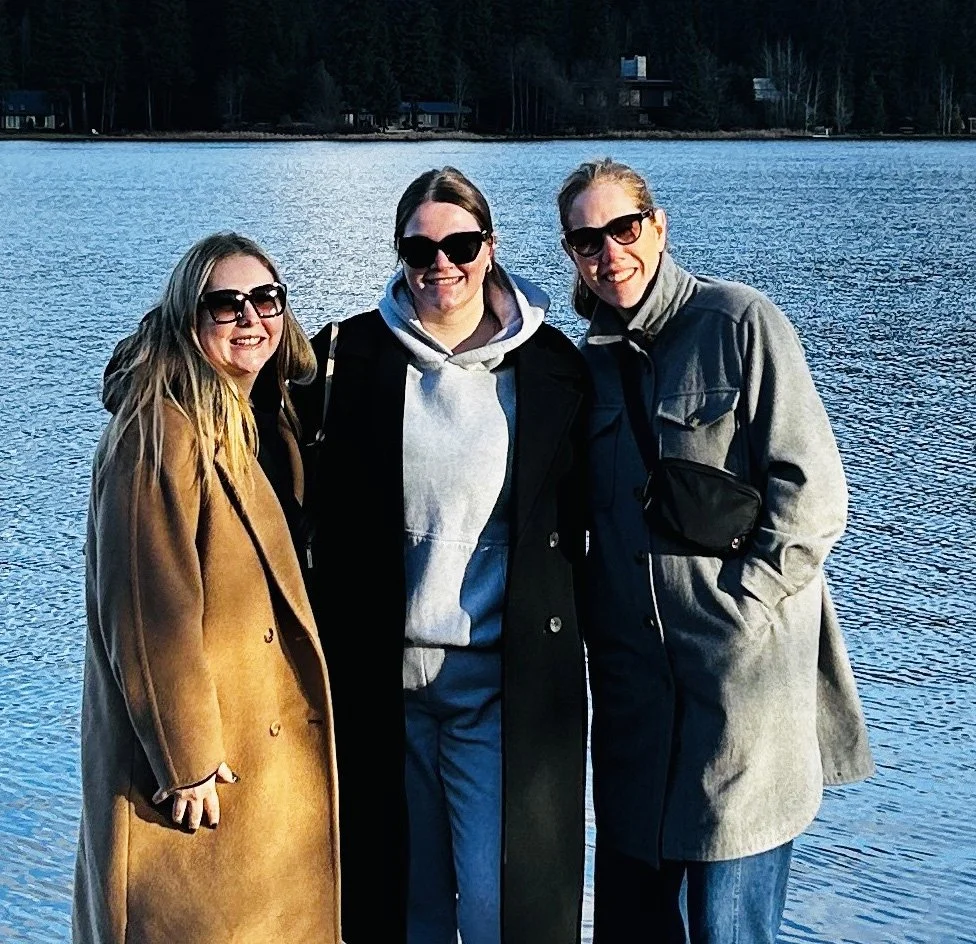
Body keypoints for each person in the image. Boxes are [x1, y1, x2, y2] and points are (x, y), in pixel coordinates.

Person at [557, 158, 875, 944]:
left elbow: (815, 496)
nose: (609, 254)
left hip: (743, 708)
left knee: (730, 933)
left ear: (657, 228)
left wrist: (743, 612)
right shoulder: (587, 365)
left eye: (622, 229)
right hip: (635, 714)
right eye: (586, 240)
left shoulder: (740, 322)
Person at [289, 166, 589, 944]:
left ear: (490, 247)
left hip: (496, 683)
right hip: (380, 686)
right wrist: (145, 369)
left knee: (499, 912)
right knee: (402, 909)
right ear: (399, 254)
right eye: (420, 249)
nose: (440, 266)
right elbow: (240, 388)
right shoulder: (346, 355)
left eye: (460, 244)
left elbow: (593, 511)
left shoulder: (552, 366)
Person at [72, 233, 341, 944]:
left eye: (266, 298)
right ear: (188, 320)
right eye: (225, 304)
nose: (250, 317)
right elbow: (142, 602)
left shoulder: (259, 417)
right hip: (200, 775)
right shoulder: (158, 427)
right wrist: (185, 758)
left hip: (258, 755)